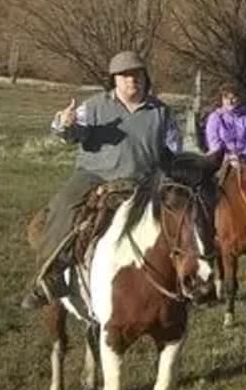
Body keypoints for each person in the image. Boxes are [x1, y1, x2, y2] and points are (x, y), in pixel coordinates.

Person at [20, 50, 183, 309]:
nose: (132, 80)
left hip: (145, 180)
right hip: (94, 175)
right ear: (114, 79)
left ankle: (191, 277)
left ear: (145, 78)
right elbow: (67, 133)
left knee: (185, 215)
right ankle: (47, 279)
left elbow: (174, 150)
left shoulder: (161, 113)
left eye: (137, 75)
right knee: (64, 204)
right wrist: (64, 122)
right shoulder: (94, 107)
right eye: (125, 75)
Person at [205, 83, 246, 167]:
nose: (230, 102)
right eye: (226, 98)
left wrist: (242, 156)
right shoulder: (215, 117)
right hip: (221, 158)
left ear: (239, 99)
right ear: (222, 100)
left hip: (244, 158)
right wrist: (228, 157)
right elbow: (214, 143)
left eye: (233, 98)